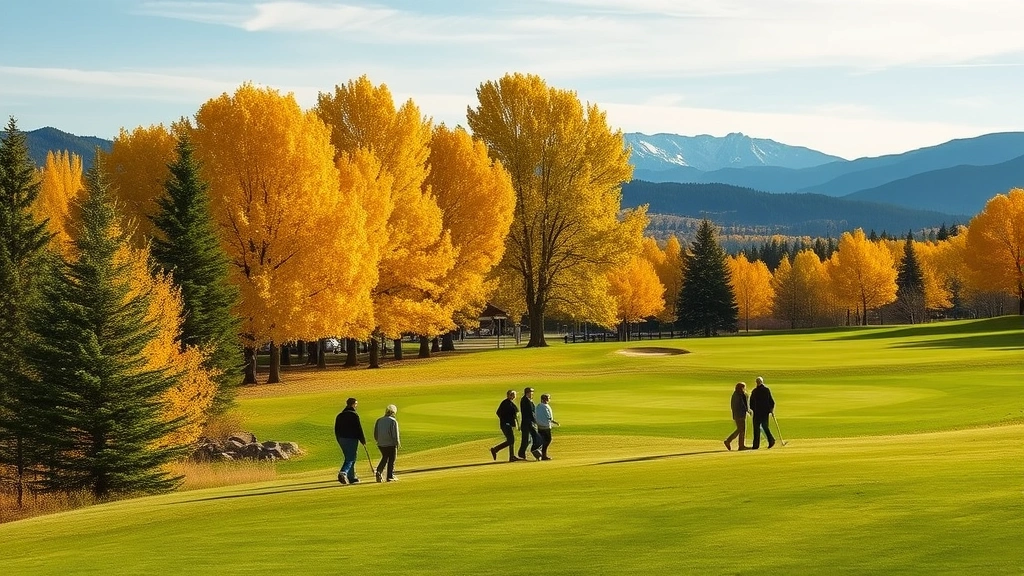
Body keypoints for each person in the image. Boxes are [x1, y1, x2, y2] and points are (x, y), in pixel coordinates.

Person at [334, 397, 366, 484]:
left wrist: (339, 439)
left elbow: (336, 429)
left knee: (349, 457)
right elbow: (358, 428)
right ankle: (343, 472)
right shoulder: (354, 415)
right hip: (351, 439)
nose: (356, 406)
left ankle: (351, 477)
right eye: (356, 404)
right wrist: (363, 440)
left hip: (341, 439)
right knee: (351, 458)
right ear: (352, 404)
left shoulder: (340, 415)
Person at [490, 390, 521, 462]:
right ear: (509, 395)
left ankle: (511, 456)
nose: (514, 396)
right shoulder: (506, 403)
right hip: (506, 425)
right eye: (513, 395)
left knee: (511, 440)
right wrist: (505, 421)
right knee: (511, 440)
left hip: (508, 425)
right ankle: (495, 449)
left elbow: (515, 415)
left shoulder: (510, 403)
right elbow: (498, 413)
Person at [374, 404, 401, 482]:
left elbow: (376, 433)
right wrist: (397, 443)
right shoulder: (393, 421)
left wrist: (378, 440)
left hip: (381, 444)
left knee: (385, 457)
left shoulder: (379, 420)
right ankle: (390, 476)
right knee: (392, 459)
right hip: (391, 443)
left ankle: (379, 471)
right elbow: (395, 434)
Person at [749, 376, 776, 449]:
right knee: (764, 427)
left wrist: (753, 409)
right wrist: (771, 410)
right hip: (764, 412)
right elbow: (772, 402)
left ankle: (757, 445)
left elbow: (751, 403)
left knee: (757, 428)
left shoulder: (754, 391)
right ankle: (771, 440)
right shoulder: (766, 390)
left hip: (758, 412)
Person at [518, 387, 544, 461]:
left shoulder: (528, 400)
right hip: (528, 423)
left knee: (527, 440)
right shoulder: (525, 401)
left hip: (528, 423)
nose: (532, 394)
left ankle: (522, 453)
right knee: (535, 438)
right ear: (527, 393)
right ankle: (534, 452)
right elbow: (530, 413)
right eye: (531, 393)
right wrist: (536, 421)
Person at [724, 382, 751, 451]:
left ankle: (739, 445)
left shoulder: (735, 394)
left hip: (736, 415)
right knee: (741, 430)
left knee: (740, 429)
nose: (745, 389)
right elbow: (744, 405)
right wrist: (748, 411)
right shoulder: (741, 395)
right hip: (740, 415)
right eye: (744, 387)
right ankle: (730, 442)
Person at [535, 393, 560, 460]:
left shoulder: (538, 406)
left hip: (539, 426)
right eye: (548, 398)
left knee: (542, 440)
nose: (549, 399)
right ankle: (543, 455)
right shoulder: (546, 406)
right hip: (546, 426)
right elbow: (549, 417)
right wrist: (555, 422)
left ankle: (540, 453)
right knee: (547, 440)